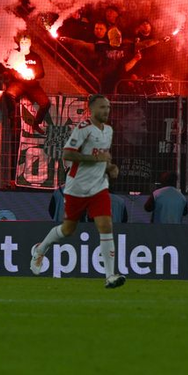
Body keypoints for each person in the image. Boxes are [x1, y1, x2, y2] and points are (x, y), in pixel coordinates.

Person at [29, 94, 126, 288]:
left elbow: (99, 159)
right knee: (68, 230)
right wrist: (96, 160)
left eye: (108, 107)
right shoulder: (83, 129)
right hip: (77, 187)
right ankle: (41, 248)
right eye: (101, 107)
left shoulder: (107, 131)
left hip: (98, 187)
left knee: (106, 226)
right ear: (91, 110)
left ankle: (110, 276)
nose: (106, 111)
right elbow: (68, 153)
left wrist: (109, 168)